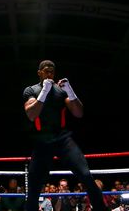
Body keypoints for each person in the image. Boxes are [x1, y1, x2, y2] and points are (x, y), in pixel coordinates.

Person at [22, 60, 106, 211]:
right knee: (34, 183)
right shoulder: (31, 90)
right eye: (46, 71)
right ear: (39, 72)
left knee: (85, 174)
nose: (49, 74)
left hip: (62, 139)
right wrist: (44, 92)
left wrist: (70, 91)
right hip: (42, 141)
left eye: (52, 72)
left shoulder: (60, 91)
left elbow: (78, 113)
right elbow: (31, 114)